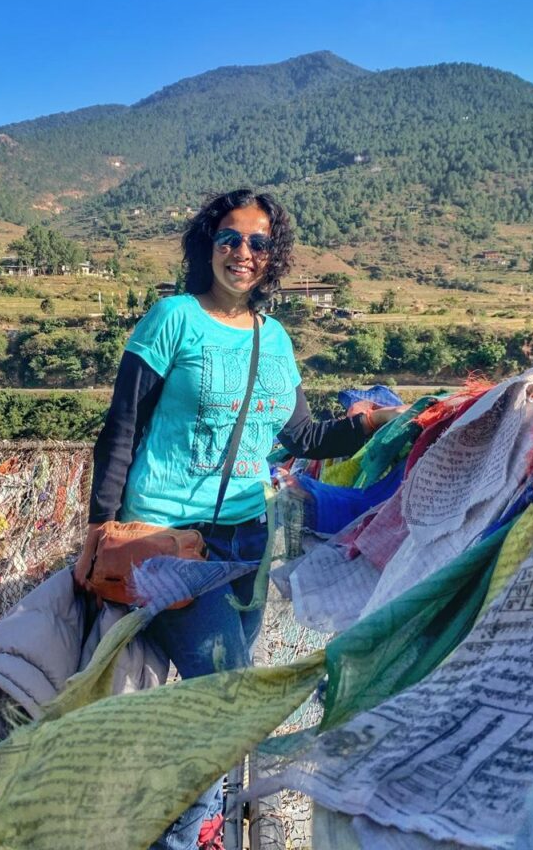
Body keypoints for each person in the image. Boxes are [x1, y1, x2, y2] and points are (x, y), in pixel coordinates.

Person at [74, 189, 402, 849]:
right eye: (229, 238)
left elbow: (306, 436)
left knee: (214, 699)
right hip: (167, 540)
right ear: (208, 245)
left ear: (271, 256)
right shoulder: (171, 319)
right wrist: (98, 528)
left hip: (251, 539)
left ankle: (193, 820)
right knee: (225, 696)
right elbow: (121, 428)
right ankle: (178, 836)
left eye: (257, 242)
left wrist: (381, 425)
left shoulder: (273, 339)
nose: (242, 253)